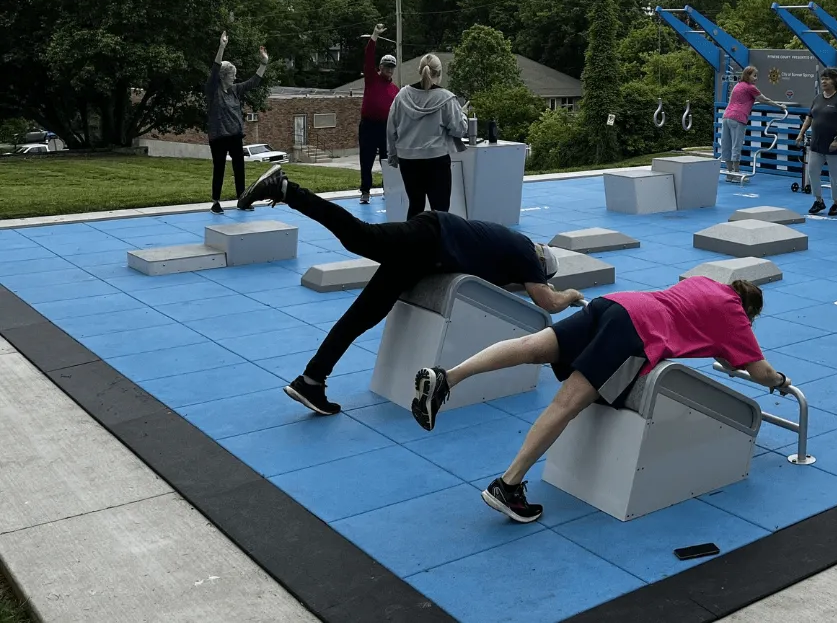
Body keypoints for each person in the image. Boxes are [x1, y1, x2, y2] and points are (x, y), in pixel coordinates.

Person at [409, 275, 790, 524]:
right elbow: (760, 371)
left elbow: (712, 341)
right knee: (566, 404)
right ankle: (508, 485)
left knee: (529, 346)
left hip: (615, 304)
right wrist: (780, 382)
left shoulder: (706, 284)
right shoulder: (735, 316)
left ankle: (448, 377)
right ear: (749, 310)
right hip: (637, 333)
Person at [236, 164, 582, 415]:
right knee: (361, 236)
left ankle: (311, 380)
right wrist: (569, 295)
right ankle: (287, 189)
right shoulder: (526, 253)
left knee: (362, 316)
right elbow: (547, 303)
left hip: (425, 256)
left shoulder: (512, 251)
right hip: (431, 239)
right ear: (541, 264)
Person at [386, 54, 467, 217]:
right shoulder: (446, 98)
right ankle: (439, 240)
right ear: (440, 73)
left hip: (408, 159)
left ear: (419, 71)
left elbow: (391, 128)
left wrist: (393, 155)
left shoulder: (402, 96)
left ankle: (413, 240)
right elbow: (459, 129)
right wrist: (462, 115)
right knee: (440, 208)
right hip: (436, 158)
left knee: (415, 205)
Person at [206, 31, 269, 214]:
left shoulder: (234, 90)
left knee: (239, 168)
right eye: (232, 74)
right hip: (218, 137)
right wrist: (222, 47)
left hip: (235, 136)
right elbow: (215, 67)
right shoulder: (213, 91)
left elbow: (253, 82)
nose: (235, 77)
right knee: (219, 168)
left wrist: (263, 64)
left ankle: (242, 199)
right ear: (224, 75)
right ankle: (216, 202)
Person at [796, 67, 837, 216]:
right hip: (817, 143)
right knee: (813, 171)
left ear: (835, 81)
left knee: (834, 174)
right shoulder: (818, 98)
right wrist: (801, 133)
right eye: (822, 79)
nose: (824, 81)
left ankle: (836, 203)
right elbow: (809, 117)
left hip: (834, 145)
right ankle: (818, 200)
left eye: (827, 79)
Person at [358, 24, 398, 205]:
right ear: (380, 67)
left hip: (386, 127)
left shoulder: (395, 90)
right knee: (366, 159)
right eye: (386, 66)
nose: (389, 70)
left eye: (392, 67)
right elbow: (368, 57)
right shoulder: (372, 78)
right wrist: (374, 35)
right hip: (368, 125)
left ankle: (387, 189)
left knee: (387, 161)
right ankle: (365, 191)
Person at [720, 66, 780, 175]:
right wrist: (780, 106)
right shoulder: (750, 87)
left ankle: (729, 173)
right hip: (738, 118)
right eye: (754, 75)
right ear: (748, 75)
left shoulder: (738, 85)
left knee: (726, 145)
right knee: (736, 146)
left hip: (726, 116)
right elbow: (764, 99)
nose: (756, 78)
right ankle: (736, 173)